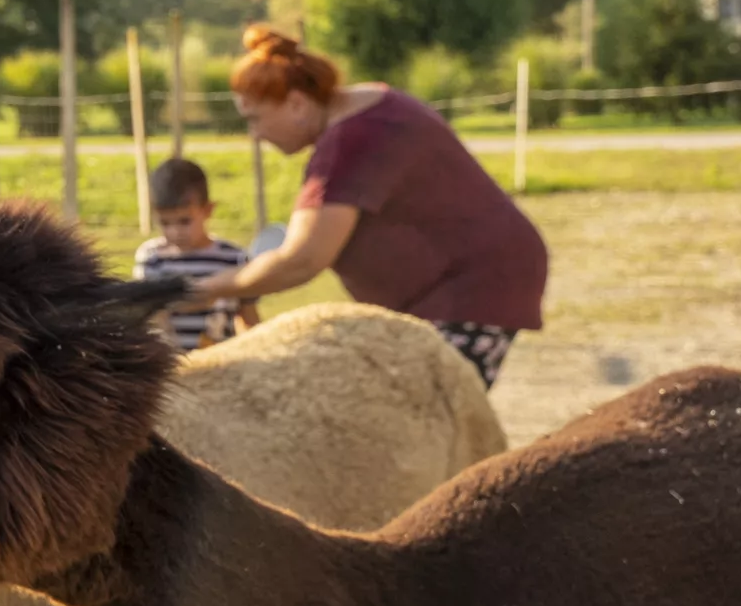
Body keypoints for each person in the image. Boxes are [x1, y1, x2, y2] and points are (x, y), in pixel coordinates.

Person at [175, 26, 547, 386]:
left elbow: (301, 259)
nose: (255, 134)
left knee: (412, 416)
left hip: (470, 294)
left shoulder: (348, 142)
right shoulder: (375, 107)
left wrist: (200, 291)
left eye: (255, 118)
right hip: (464, 287)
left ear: (297, 103)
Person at [132, 157, 247, 351]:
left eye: (185, 221)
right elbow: (148, 319)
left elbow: (248, 321)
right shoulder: (152, 258)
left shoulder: (234, 258)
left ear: (207, 210)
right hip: (172, 369)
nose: (175, 232)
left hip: (224, 366)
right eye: (165, 223)